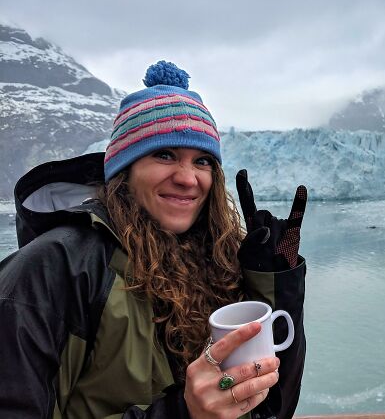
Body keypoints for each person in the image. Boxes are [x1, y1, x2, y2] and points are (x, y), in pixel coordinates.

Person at [0, 61, 307, 419]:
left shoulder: (219, 264)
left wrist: (274, 285)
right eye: (165, 154)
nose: (188, 178)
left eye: (203, 161)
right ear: (124, 170)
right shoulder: (52, 268)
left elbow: (272, 409)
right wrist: (181, 413)